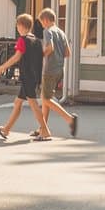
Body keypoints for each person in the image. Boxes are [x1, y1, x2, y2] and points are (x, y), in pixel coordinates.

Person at [0, 13, 51, 142]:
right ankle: (6, 129)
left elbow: (17, 57)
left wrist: (1, 67)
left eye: (17, 25)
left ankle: (45, 131)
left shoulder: (23, 40)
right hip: (33, 76)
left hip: (27, 77)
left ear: (20, 26)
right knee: (18, 102)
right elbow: (39, 58)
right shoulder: (35, 40)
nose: (17, 27)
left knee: (33, 104)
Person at [35, 8, 78, 139]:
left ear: (46, 20)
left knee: (46, 99)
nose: (42, 25)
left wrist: (40, 56)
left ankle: (70, 119)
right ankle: (42, 128)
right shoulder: (61, 32)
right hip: (60, 69)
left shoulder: (47, 31)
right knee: (45, 99)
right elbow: (68, 53)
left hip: (49, 69)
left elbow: (50, 47)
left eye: (41, 22)